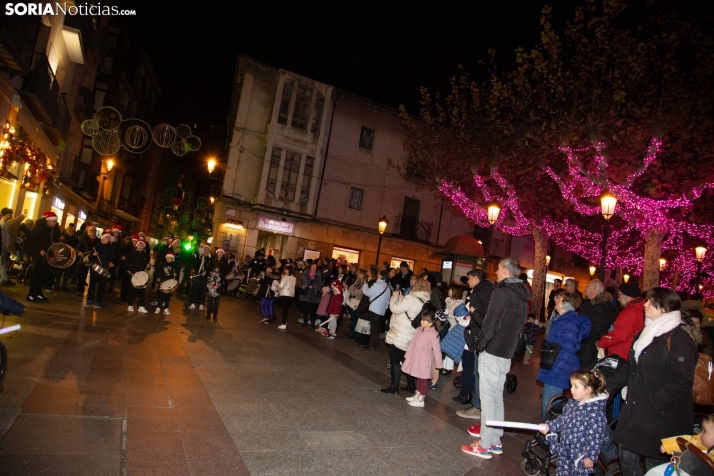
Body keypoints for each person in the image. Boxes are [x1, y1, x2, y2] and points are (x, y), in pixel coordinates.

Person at [605, 287, 698, 476]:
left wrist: (657, 401)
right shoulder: (645, 333)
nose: (644, 304)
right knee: (626, 456)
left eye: (649, 301)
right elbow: (631, 368)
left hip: (662, 417)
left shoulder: (679, 338)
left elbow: (682, 379)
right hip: (638, 411)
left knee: (654, 465)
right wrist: (608, 387)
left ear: (663, 307)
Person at [461, 258, 531, 459]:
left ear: (506, 272)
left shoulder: (502, 293)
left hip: (493, 351)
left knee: (488, 399)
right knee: (497, 397)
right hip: (506, 352)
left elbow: (490, 325)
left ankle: (484, 444)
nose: (496, 272)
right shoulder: (521, 296)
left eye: (499, 269)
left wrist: (481, 345)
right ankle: (495, 440)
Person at [538, 369, 608, 476]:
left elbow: (595, 437)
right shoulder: (573, 403)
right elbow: (563, 419)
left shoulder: (596, 413)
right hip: (566, 449)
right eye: (571, 386)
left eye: (576, 387)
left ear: (587, 390)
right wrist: (549, 426)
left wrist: (590, 457)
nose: (571, 390)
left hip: (580, 456)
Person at [537, 291, 591, 418]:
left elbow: (568, 350)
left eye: (559, 298)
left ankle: (551, 434)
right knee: (550, 402)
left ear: (566, 303)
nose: (555, 300)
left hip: (559, 369)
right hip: (554, 366)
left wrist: (555, 371)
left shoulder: (570, 322)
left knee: (550, 405)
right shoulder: (562, 320)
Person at [381, 278, 432, 395]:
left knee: (394, 360)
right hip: (412, 334)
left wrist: (394, 297)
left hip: (400, 333)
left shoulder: (411, 298)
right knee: (407, 360)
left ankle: (394, 387)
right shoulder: (424, 300)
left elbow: (395, 308)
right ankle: (411, 385)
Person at [457, 268, 494, 420]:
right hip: (487, 336)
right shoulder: (491, 290)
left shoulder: (477, 293)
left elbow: (477, 316)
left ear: (476, 279)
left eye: (470, 279)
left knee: (477, 372)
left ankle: (477, 406)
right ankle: (479, 404)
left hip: (478, 336)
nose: (468, 282)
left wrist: (472, 328)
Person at [400, 309, 442, 408]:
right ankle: (417, 394)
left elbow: (437, 350)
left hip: (424, 360)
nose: (421, 321)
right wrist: (407, 355)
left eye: (424, 320)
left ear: (431, 323)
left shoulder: (433, 334)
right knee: (418, 377)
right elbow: (412, 343)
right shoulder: (419, 330)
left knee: (423, 379)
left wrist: (439, 364)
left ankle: (421, 398)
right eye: (422, 319)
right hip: (416, 357)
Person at [596, 282, 645, 361]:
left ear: (627, 296)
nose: (618, 298)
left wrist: (601, 343)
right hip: (626, 353)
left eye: (619, 295)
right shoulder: (636, 309)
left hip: (621, 354)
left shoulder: (631, 312)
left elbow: (619, 336)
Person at [578, 279, 618, 369]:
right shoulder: (593, 304)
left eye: (587, 286)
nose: (585, 288)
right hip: (587, 347)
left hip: (588, 349)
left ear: (593, 288)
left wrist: (580, 335)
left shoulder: (599, 307)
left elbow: (598, 329)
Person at [24, 211, 61, 302]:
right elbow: (32, 241)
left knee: (43, 274)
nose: (55, 223)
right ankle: (31, 293)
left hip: (45, 254)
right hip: (38, 254)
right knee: (36, 274)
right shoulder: (39, 228)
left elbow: (50, 241)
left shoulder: (51, 230)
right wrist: (40, 249)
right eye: (53, 221)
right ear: (48, 220)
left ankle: (39, 292)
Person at [85, 230, 116, 308]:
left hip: (105, 268)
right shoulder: (97, 247)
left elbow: (114, 257)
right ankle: (90, 299)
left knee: (102, 285)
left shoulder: (110, 248)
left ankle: (99, 301)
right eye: (106, 237)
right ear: (102, 238)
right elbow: (89, 258)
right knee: (92, 284)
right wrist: (93, 255)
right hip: (95, 267)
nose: (108, 239)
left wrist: (112, 262)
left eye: (109, 238)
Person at [362, 268, 390, 351]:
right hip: (380, 309)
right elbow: (387, 300)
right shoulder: (387, 286)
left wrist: (365, 285)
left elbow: (368, 292)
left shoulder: (377, 285)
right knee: (375, 327)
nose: (377, 275)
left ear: (381, 276)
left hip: (374, 308)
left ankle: (373, 345)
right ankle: (374, 344)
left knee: (374, 327)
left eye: (378, 274)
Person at [126, 239, 151, 313]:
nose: (141, 246)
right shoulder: (132, 253)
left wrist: (148, 266)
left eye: (142, 245)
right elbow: (127, 262)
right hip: (134, 274)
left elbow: (148, 264)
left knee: (142, 291)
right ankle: (130, 305)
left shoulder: (145, 254)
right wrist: (128, 269)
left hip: (142, 275)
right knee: (132, 290)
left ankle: (141, 306)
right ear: (137, 245)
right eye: (139, 245)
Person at [189, 244, 213, 310]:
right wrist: (199, 256)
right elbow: (194, 264)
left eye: (207, 249)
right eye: (204, 249)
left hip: (205, 277)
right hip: (198, 275)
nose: (206, 250)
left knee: (203, 290)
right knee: (195, 289)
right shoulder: (199, 256)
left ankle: (201, 304)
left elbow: (211, 267)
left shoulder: (211, 258)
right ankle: (193, 303)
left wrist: (206, 272)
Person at [298, 263, 322, 329]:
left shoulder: (318, 276)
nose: (314, 268)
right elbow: (300, 281)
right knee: (305, 309)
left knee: (312, 310)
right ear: (310, 267)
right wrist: (302, 285)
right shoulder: (305, 274)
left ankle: (312, 323)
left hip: (312, 295)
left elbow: (320, 285)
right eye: (313, 267)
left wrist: (314, 287)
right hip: (305, 293)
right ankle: (305, 322)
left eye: (315, 267)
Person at [76, 226, 98, 296]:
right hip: (84, 260)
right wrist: (79, 251)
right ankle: (79, 290)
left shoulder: (98, 241)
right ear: (88, 232)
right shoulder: (84, 239)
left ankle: (91, 291)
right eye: (91, 230)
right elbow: (77, 248)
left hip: (94, 261)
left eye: (94, 230)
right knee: (82, 276)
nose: (93, 232)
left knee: (93, 277)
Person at [155, 251, 179, 315]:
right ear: (166, 258)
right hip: (162, 282)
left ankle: (166, 308)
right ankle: (158, 308)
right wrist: (157, 277)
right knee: (160, 296)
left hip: (169, 283)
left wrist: (175, 274)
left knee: (167, 297)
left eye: (171, 258)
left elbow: (177, 272)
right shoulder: (162, 264)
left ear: (172, 259)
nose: (169, 259)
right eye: (168, 258)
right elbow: (157, 271)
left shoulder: (174, 265)